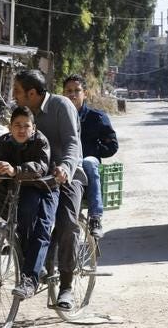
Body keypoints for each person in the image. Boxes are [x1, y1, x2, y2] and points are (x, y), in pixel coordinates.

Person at [0, 70, 82, 311]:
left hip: (63, 176)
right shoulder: (23, 116)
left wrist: (66, 168)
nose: (14, 96)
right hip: (31, 178)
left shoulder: (61, 105)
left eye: (17, 91)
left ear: (31, 93)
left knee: (66, 223)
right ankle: (29, 256)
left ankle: (67, 286)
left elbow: (72, 142)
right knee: (23, 211)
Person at [0, 106, 57, 299]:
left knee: (41, 228)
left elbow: (41, 168)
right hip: (21, 188)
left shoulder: (41, 141)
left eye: (26, 126)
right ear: (10, 127)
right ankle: (32, 261)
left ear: (33, 128)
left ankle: (30, 280)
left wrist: (16, 170)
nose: (21, 129)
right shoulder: (5, 141)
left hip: (45, 187)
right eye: (17, 125)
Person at [62, 74, 118, 238]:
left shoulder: (97, 117)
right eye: (68, 91)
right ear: (63, 93)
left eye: (77, 90)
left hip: (87, 164)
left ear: (84, 93)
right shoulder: (59, 116)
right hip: (66, 165)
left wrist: (94, 150)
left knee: (88, 162)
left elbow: (112, 146)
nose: (72, 94)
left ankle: (95, 217)